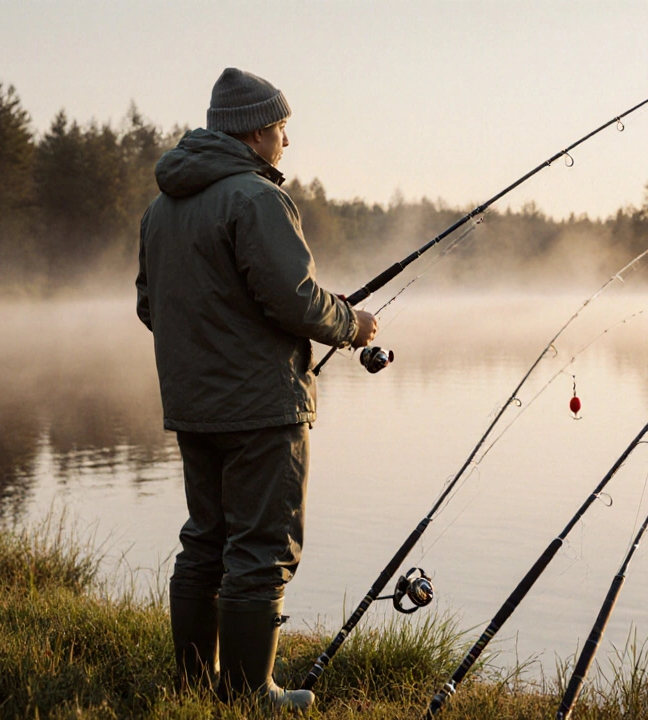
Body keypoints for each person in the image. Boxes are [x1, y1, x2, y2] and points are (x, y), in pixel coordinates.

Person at [136, 67, 377, 710]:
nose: (286, 143)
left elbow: (149, 305)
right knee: (262, 547)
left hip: (193, 405)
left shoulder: (162, 208)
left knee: (205, 538)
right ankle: (248, 694)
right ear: (254, 132)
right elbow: (295, 301)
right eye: (281, 129)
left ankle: (193, 686)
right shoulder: (255, 198)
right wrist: (353, 324)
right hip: (261, 407)